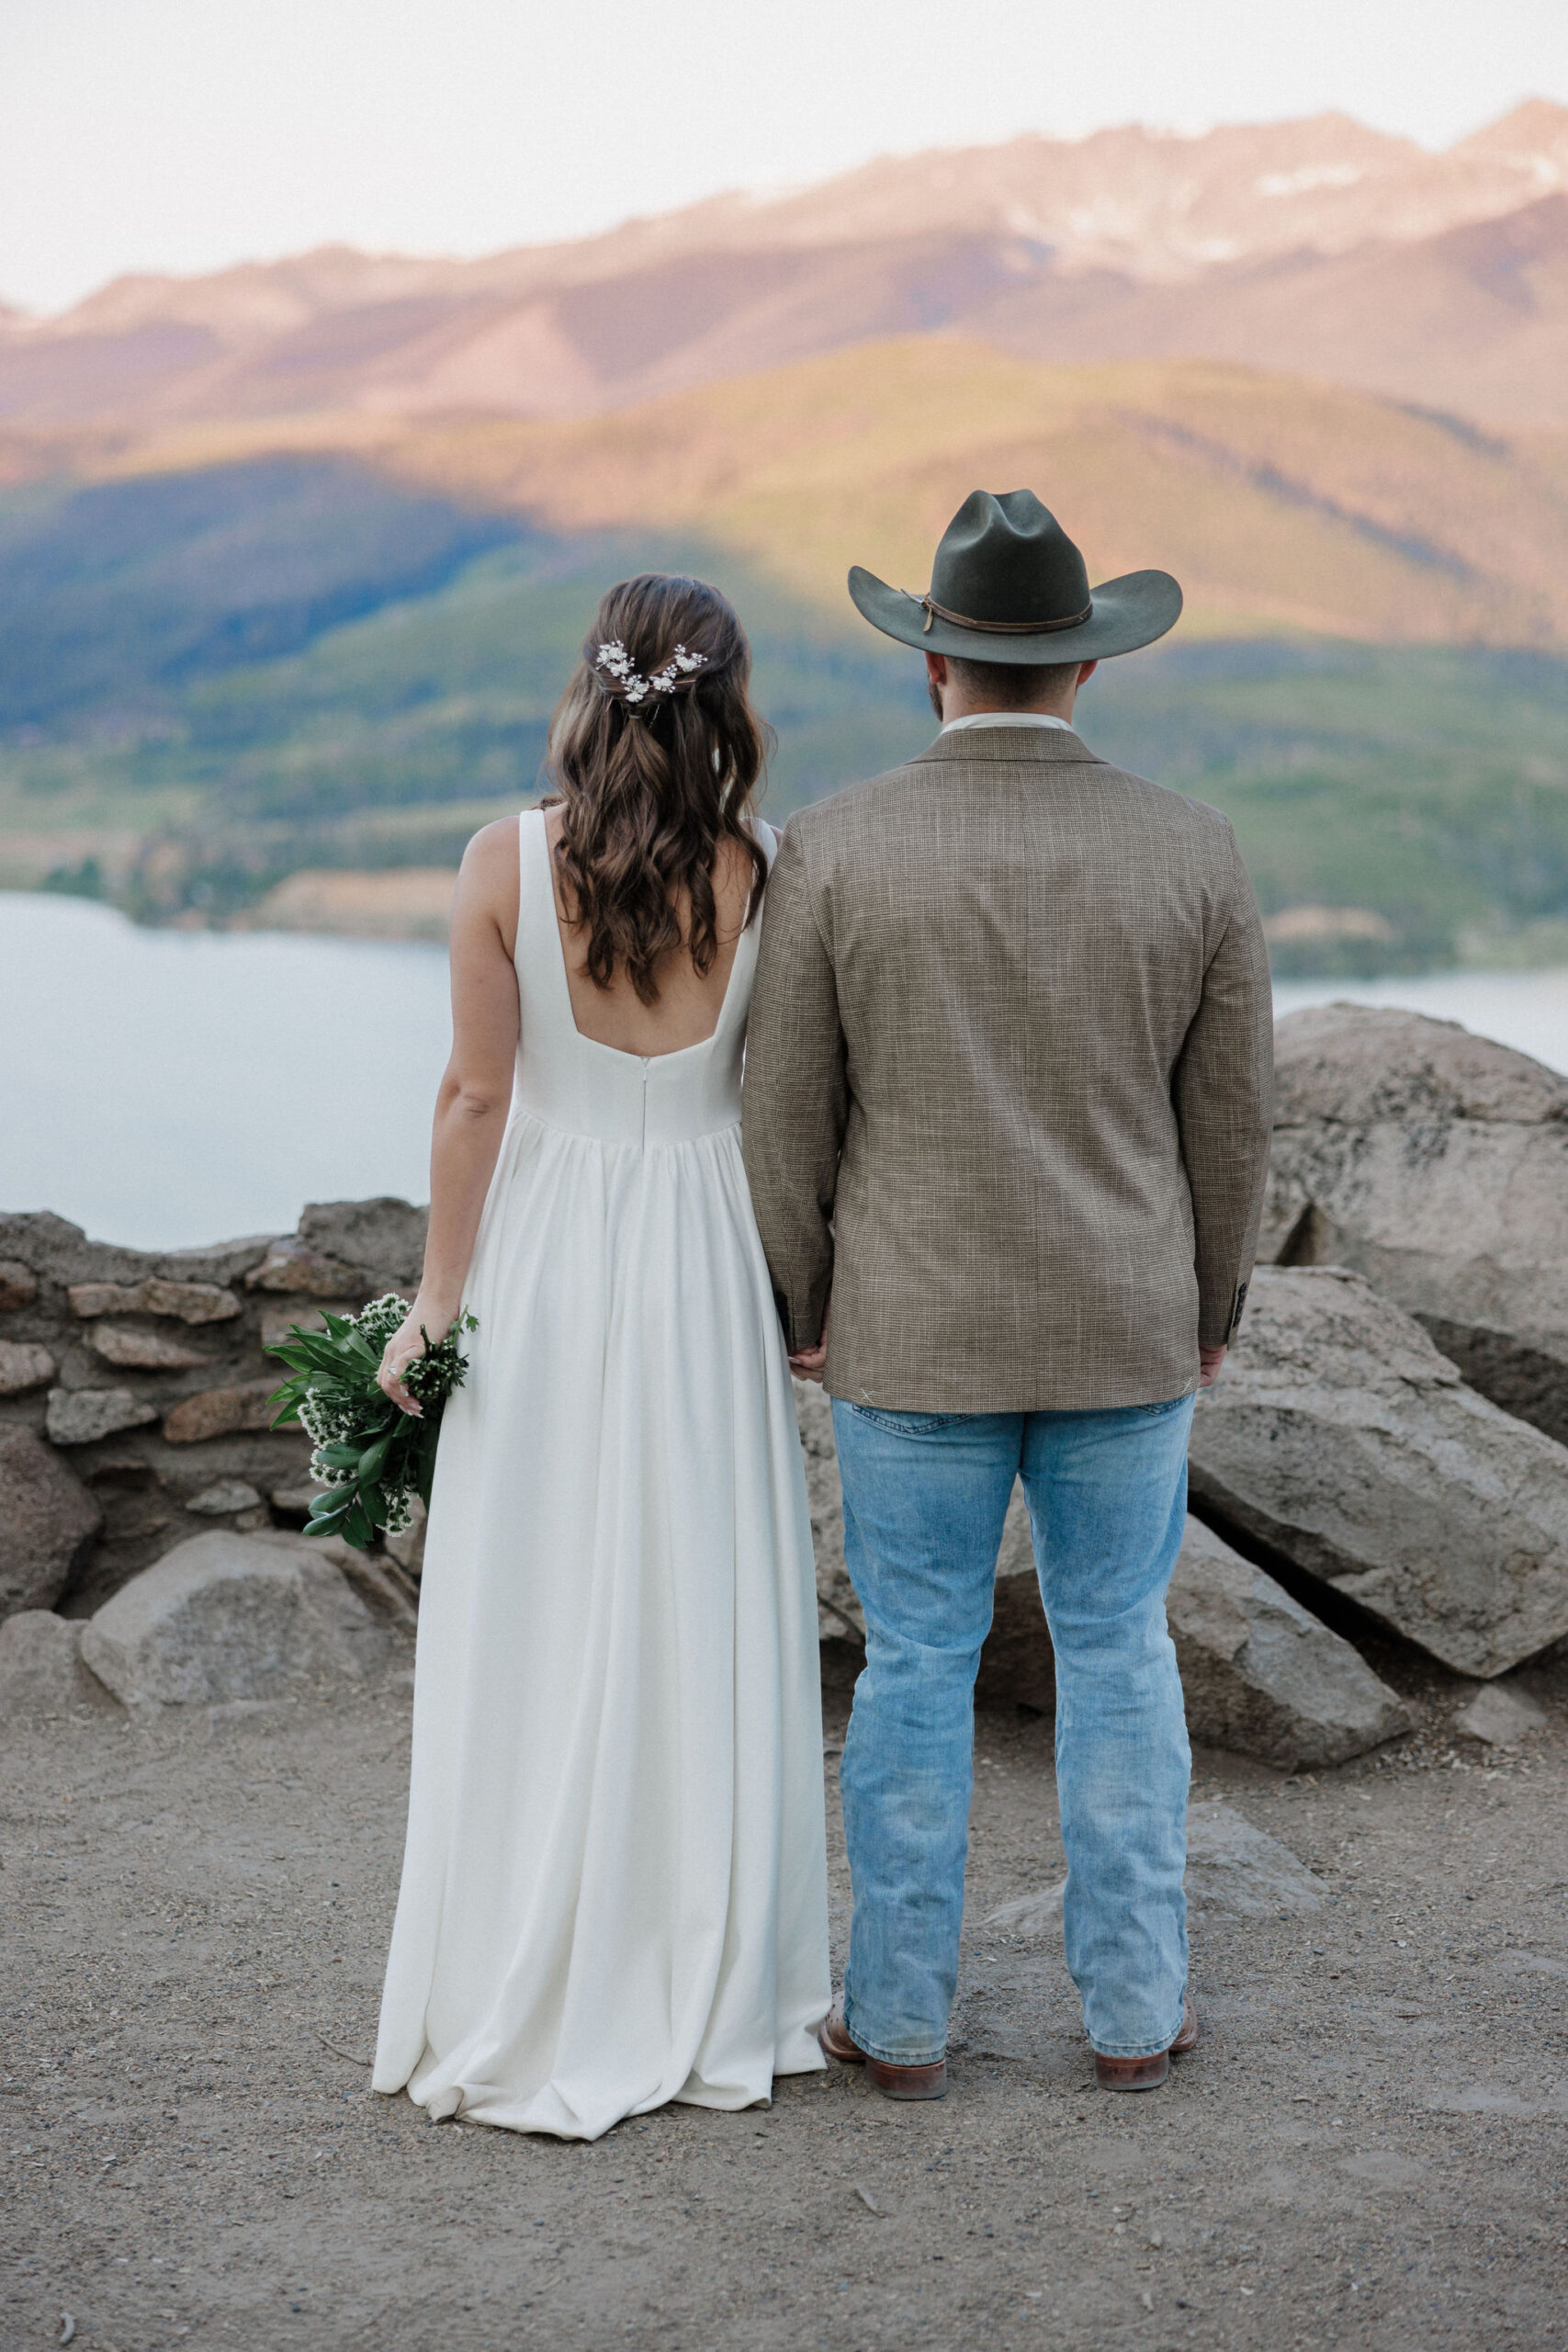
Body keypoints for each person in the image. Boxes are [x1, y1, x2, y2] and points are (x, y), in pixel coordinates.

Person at [742, 490, 1273, 2099]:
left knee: (914, 1663)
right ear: (1087, 669)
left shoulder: (833, 847)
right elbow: (1234, 1121)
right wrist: (1211, 1304)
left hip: (908, 1330)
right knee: (1119, 1651)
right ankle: (1134, 2011)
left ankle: (895, 2021)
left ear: (931, 666)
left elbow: (785, 1117)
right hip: (1126, 1325)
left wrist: (803, 1306)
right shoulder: (1193, 847)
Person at [371, 573, 830, 2142]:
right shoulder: (769, 869)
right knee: (702, 1597)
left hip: (553, 1255)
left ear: (593, 688)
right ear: (731, 704)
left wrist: (437, 1302)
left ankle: (527, 1964)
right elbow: (789, 1104)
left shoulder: (504, 860)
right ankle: (705, 1975)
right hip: (708, 1253)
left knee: (538, 1597)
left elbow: (475, 1102)